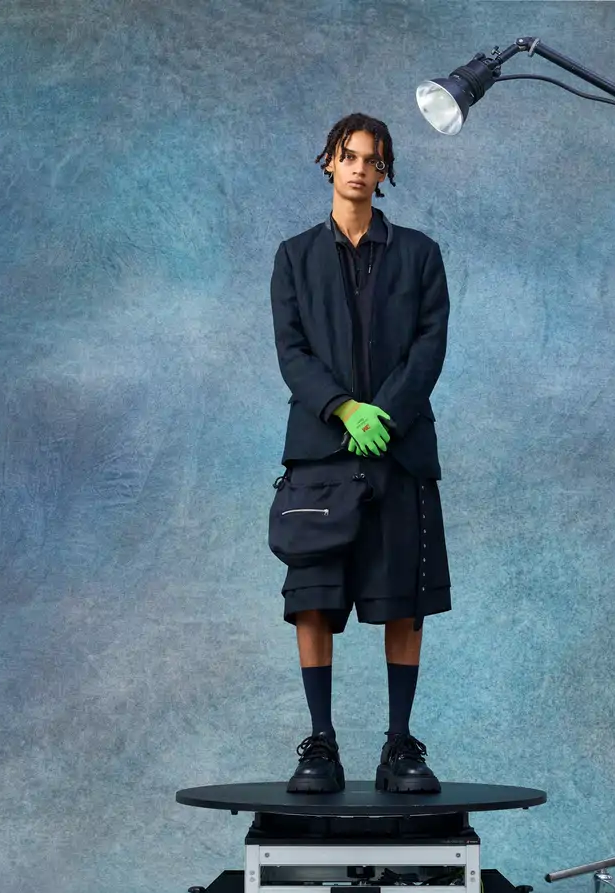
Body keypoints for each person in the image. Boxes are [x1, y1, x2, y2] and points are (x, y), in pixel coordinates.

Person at [269, 112, 451, 794]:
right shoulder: (293, 256)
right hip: (320, 453)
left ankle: (399, 744)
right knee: (313, 600)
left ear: (385, 173)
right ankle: (321, 743)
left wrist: (388, 414)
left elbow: (429, 345)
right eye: (349, 156)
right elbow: (292, 351)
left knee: (403, 600)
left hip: (400, 453)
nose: (359, 168)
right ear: (329, 162)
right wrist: (344, 407)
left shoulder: (420, 253)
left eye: (373, 160)